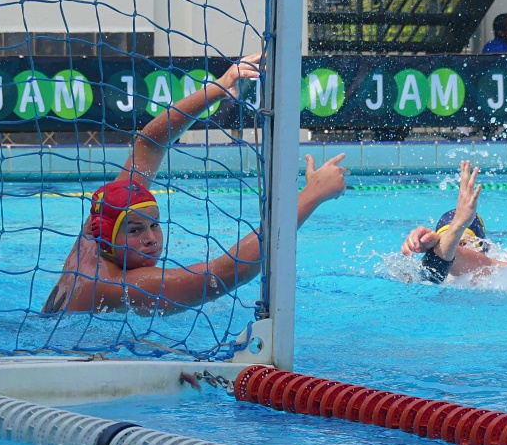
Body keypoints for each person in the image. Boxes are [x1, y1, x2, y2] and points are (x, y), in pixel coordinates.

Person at [43, 53, 349, 315]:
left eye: (154, 225)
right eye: (135, 230)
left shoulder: (93, 236)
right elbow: (230, 271)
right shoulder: (119, 286)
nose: (151, 238)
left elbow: (148, 145)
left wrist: (216, 89)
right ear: (108, 237)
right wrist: (312, 194)